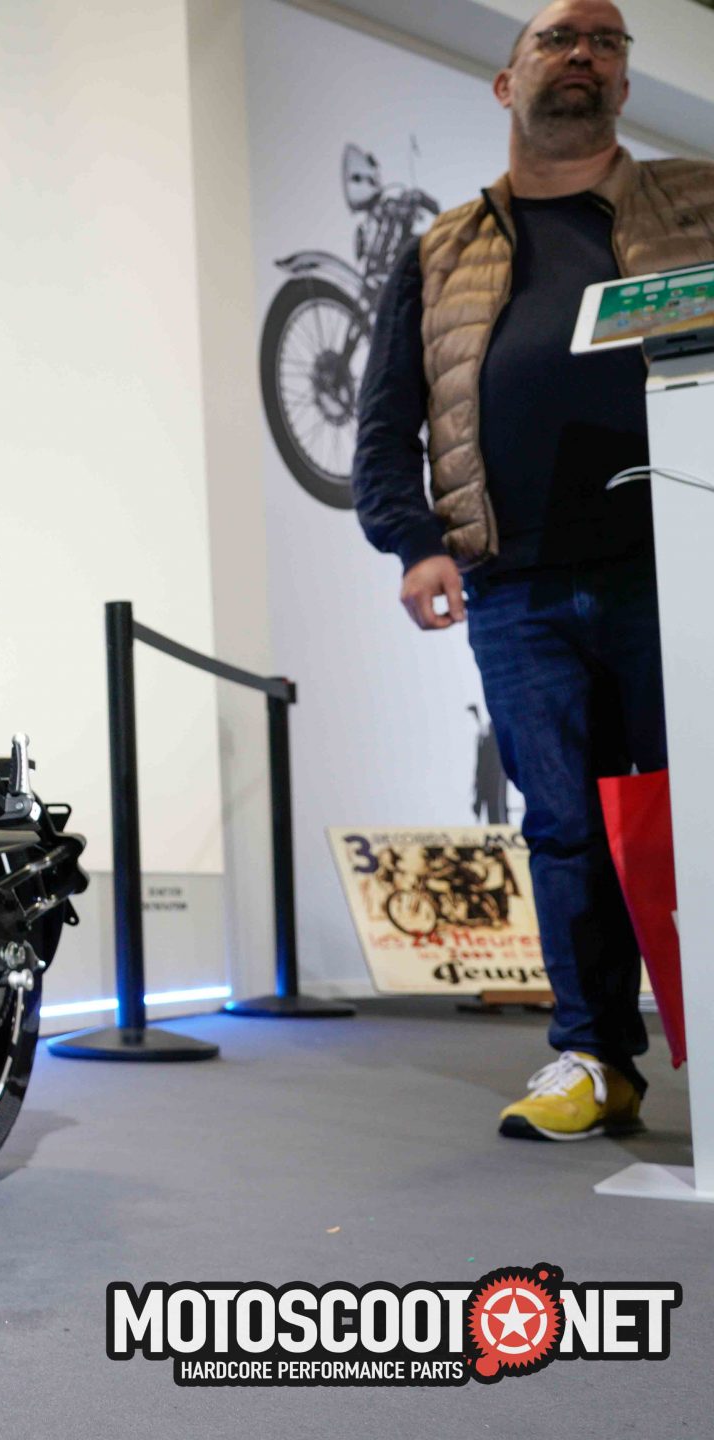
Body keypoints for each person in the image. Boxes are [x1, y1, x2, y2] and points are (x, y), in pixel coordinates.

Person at [351, 0, 703, 1142]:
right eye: (556, 37)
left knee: (701, 811)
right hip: (517, 587)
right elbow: (385, 422)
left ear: (625, 85)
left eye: (605, 40)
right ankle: (595, 1058)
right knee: (562, 828)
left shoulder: (699, 202)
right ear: (507, 84)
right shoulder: (440, 248)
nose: (582, 53)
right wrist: (413, 542)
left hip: (680, 566)